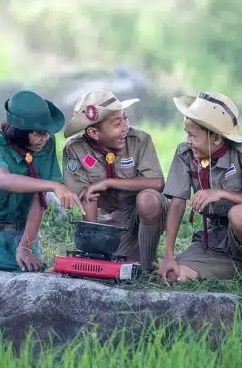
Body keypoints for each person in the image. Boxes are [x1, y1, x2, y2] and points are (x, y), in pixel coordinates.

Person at [0, 90, 84, 273]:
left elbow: (38, 201)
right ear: (20, 132)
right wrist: (53, 185)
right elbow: (3, 180)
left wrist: (25, 246)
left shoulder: (45, 144)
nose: (45, 138)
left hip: (20, 233)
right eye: (39, 133)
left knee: (34, 273)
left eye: (47, 133)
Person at [158, 91, 242, 284]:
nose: (187, 140)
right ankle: (232, 267)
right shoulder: (185, 153)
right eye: (186, 133)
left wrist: (221, 193)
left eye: (192, 135)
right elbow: (178, 202)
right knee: (173, 277)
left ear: (216, 137)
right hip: (216, 240)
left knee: (240, 215)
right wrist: (168, 254)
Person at [61, 90, 168, 273]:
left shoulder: (139, 140)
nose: (125, 126)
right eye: (118, 123)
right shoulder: (75, 149)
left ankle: (148, 263)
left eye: (125, 118)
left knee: (148, 199)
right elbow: (84, 198)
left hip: (137, 216)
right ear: (94, 132)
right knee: (109, 266)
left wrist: (110, 183)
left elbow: (157, 183)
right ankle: (97, 254)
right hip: (106, 224)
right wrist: (92, 253)